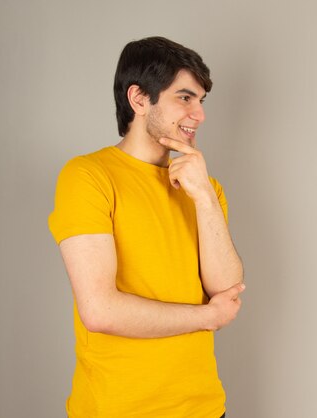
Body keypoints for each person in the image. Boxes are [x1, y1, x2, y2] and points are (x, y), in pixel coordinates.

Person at [48, 36, 244, 418]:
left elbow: (226, 288)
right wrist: (207, 317)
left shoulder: (205, 186)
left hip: (205, 408)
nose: (199, 115)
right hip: (119, 409)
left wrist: (203, 195)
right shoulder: (88, 176)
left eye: (201, 102)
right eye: (185, 97)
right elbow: (100, 310)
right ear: (139, 99)